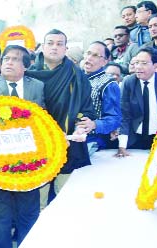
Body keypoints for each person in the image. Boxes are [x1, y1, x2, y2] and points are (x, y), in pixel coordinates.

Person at [0, 45, 44, 248]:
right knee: (0, 214)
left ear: (26, 66)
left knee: (28, 212)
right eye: (6, 59)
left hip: (29, 163)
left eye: (15, 59)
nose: (9, 63)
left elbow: (43, 120)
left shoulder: (37, 86)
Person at [27, 29, 97, 203]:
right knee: (37, 201)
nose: (54, 48)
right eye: (50, 43)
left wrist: (82, 125)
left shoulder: (76, 75)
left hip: (69, 142)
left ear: (66, 49)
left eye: (59, 44)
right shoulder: (28, 74)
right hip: (38, 145)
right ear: (42, 47)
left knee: (65, 199)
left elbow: (86, 108)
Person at [116, 47, 157, 157]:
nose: (138, 67)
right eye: (137, 62)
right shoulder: (129, 82)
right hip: (135, 138)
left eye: (144, 63)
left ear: (155, 65)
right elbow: (124, 115)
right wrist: (122, 146)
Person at [80, 41, 121, 152]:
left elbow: (115, 119)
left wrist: (94, 124)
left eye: (95, 55)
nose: (89, 57)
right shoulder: (76, 77)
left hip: (94, 140)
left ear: (104, 62)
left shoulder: (109, 84)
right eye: (88, 53)